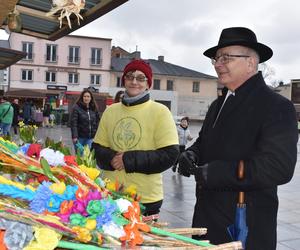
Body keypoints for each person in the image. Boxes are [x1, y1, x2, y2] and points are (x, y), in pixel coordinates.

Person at [177, 27, 298, 250]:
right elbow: (205, 141)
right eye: (216, 58)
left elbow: (278, 167)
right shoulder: (218, 104)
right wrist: (191, 153)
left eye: (226, 58)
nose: (217, 64)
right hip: (206, 219)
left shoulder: (276, 106)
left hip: (244, 224)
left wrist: (216, 172)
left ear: (251, 62)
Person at [92, 59, 179, 216]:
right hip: (110, 193)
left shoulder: (160, 111)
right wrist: (111, 158)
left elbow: (169, 155)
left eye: (140, 78)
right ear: (124, 80)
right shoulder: (110, 111)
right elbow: (97, 149)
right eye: (130, 76)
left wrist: (128, 160)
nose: (134, 81)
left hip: (145, 198)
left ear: (148, 84)